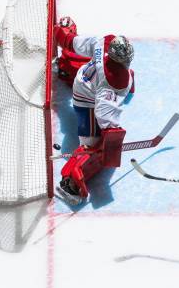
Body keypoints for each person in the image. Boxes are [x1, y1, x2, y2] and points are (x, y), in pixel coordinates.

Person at [53, 17, 136, 204]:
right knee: (92, 145)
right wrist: (110, 133)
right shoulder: (112, 82)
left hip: (86, 76)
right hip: (86, 99)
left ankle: (66, 64)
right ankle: (70, 182)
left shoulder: (104, 43)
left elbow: (81, 44)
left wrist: (66, 38)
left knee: (80, 55)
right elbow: (103, 112)